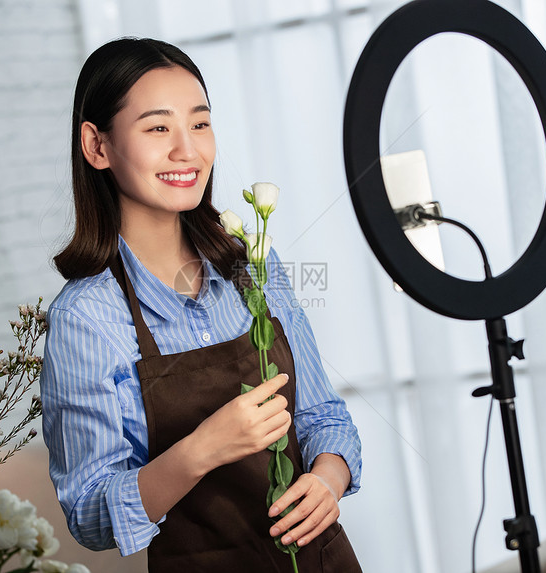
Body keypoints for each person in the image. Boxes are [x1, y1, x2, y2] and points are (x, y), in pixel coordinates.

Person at [40, 37, 363, 572]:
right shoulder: (86, 318)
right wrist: (201, 449)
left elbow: (323, 415)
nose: (187, 151)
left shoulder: (253, 263)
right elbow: (90, 515)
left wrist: (328, 479)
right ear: (97, 146)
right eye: (157, 127)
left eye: (200, 123)